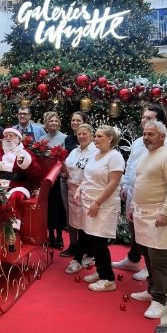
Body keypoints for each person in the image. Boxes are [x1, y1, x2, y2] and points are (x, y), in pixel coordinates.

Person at [112, 106, 167, 281]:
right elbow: (131, 165)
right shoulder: (139, 141)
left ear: (159, 123)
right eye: (143, 117)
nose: (145, 120)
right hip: (135, 194)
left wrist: (165, 208)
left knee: (153, 238)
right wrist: (126, 185)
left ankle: (149, 268)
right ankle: (133, 258)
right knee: (135, 228)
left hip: (155, 200)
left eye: (150, 118)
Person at [128, 120, 167, 319]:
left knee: (159, 260)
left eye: (151, 134)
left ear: (162, 136)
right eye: (144, 134)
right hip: (142, 215)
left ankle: (159, 300)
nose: (146, 138)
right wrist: (133, 207)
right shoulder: (146, 156)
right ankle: (151, 290)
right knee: (147, 256)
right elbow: (139, 183)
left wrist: (165, 212)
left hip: (159, 215)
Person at [71, 125, 125, 292]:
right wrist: (80, 189)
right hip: (89, 202)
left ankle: (108, 279)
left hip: (104, 205)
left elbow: (113, 183)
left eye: (99, 136)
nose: (95, 138)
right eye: (95, 135)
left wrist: (97, 203)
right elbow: (87, 177)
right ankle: (101, 272)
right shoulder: (95, 155)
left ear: (110, 138)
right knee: (92, 240)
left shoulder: (115, 157)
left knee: (100, 241)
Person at [0, 128, 42, 249]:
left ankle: (13, 233)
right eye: (6, 136)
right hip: (0, 184)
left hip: (19, 185)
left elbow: (37, 172)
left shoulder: (24, 152)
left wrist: (27, 163)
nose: (8, 138)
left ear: (18, 139)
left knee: (15, 197)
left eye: (11, 136)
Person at [63, 124, 98, 270]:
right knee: (76, 225)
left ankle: (80, 257)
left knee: (85, 226)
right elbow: (67, 169)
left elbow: (92, 174)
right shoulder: (74, 151)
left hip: (86, 193)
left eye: (85, 134)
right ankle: (86, 255)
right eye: (79, 134)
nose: (82, 136)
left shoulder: (95, 152)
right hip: (72, 192)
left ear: (91, 135)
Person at [60, 112, 89, 256]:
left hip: (84, 187)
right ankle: (74, 244)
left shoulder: (94, 150)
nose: (75, 122)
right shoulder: (71, 145)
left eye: (79, 120)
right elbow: (67, 165)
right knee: (70, 215)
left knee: (83, 217)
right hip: (68, 182)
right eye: (73, 120)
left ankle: (85, 249)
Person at [40, 111, 67, 248]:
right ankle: (50, 235)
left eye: (56, 121)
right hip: (46, 178)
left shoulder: (64, 138)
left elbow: (65, 159)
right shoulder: (42, 139)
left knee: (59, 208)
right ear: (46, 123)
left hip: (59, 178)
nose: (54, 123)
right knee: (49, 207)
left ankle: (60, 237)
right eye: (51, 121)